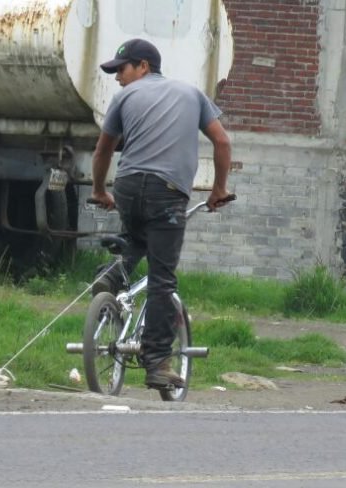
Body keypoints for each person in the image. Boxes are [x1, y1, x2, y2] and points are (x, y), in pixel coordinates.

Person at [90, 38, 234, 391]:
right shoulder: (192, 94)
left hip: (127, 185)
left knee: (137, 238)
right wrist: (218, 189)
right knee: (162, 280)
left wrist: (99, 191)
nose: (117, 78)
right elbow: (223, 141)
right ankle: (156, 363)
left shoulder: (124, 98)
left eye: (121, 70)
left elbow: (103, 150)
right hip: (167, 192)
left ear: (143, 67)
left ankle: (113, 275)